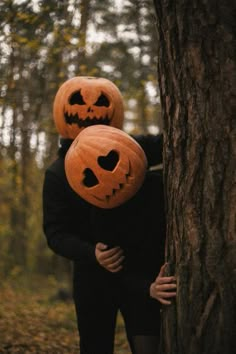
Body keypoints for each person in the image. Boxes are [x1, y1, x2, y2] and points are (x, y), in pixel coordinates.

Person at [43, 133, 176, 354]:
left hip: (141, 275)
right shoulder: (59, 175)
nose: (107, 176)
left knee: (147, 338)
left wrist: (149, 287)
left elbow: (170, 142)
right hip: (94, 279)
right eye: (91, 177)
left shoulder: (128, 149)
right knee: (96, 344)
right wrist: (90, 253)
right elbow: (56, 233)